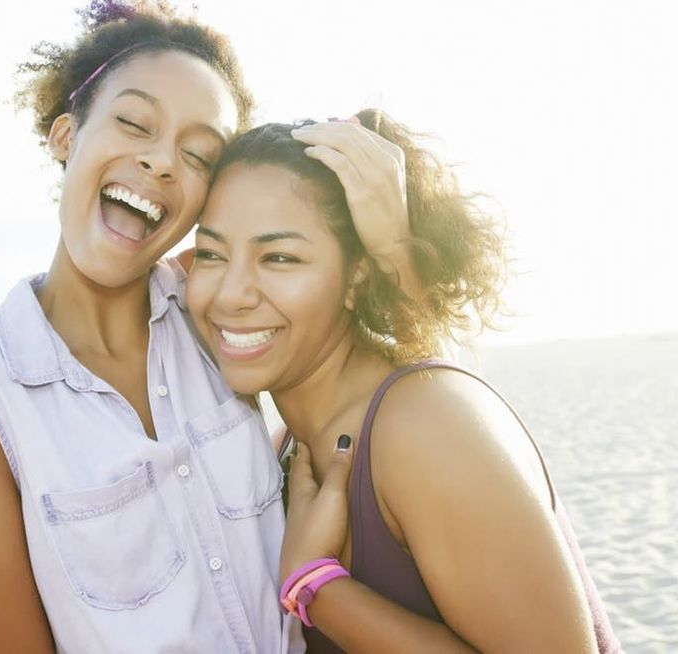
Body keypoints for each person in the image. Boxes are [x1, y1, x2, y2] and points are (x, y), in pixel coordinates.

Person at [0, 3, 415, 652]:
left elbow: (412, 415)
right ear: (66, 137)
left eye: (200, 154)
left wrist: (392, 249)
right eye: (134, 122)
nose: (162, 162)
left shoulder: (220, 317)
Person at [186, 109, 622, 653]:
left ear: (356, 278)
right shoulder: (287, 452)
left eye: (279, 257)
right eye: (210, 253)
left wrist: (316, 587)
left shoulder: (422, 424)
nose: (231, 294)